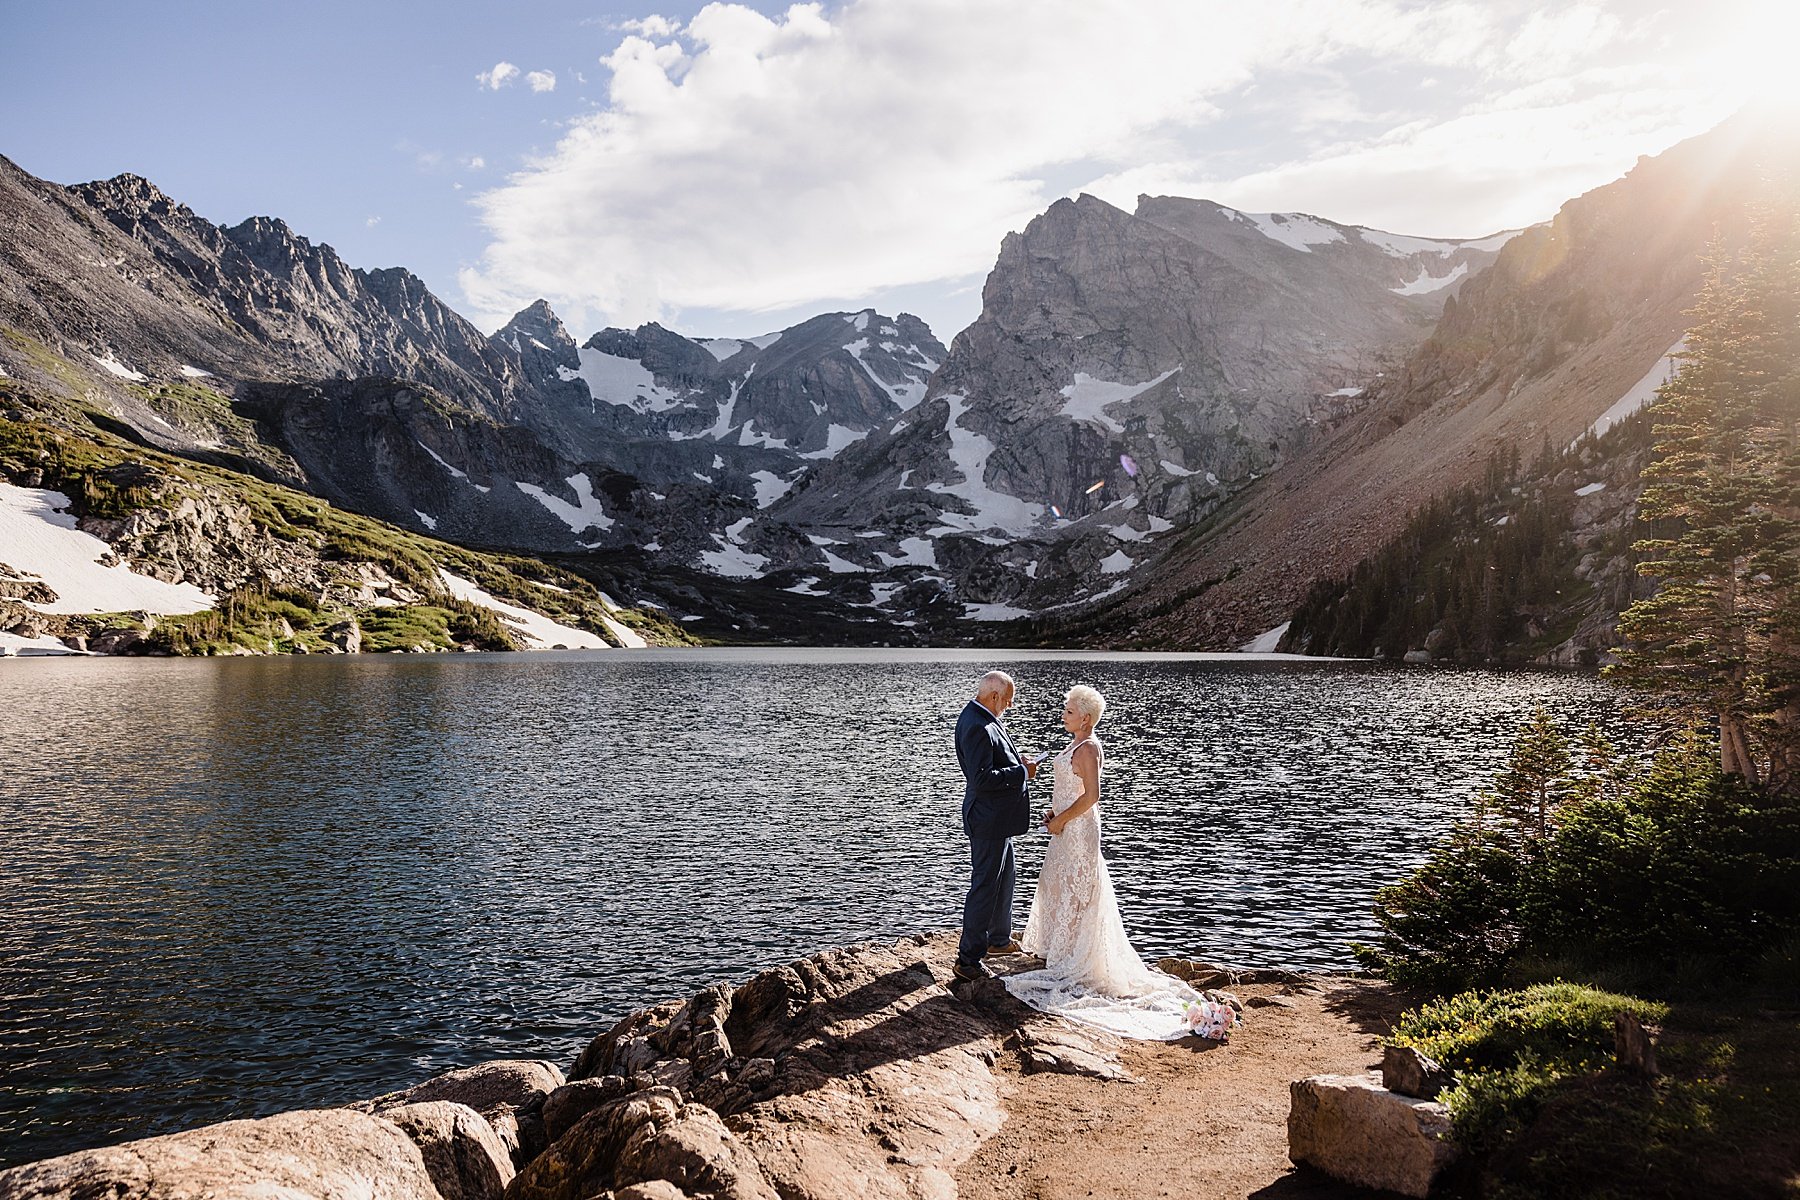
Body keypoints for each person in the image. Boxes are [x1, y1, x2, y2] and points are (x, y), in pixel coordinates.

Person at [1002, 684, 1211, 1040]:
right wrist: (1056, 812)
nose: (1063, 714)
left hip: (1080, 829)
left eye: (1068, 711)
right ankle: (1060, 948)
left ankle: (1077, 956)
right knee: (1058, 882)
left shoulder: (1089, 748)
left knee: (1079, 885)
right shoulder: (1075, 744)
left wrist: (1063, 819)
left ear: (1085, 718)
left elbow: (1092, 797)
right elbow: (1070, 790)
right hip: (1066, 825)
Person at [952, 670, 1039, 983]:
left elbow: (994, 763)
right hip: (987, 819)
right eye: (1008, 701)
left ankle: (998, 940)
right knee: (985, 886)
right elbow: (982, 779)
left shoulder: (982, 716)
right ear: (993, 697)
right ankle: (968, 960)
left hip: (997, 818)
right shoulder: (976, 724)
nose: (1009, 706)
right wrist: (1021, 773)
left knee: (1005, 876)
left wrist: (1019, 764)